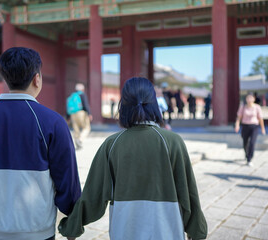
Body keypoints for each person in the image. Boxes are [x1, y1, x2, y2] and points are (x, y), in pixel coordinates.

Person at [0, 47, 81, 240]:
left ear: (6, 78)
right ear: (37, 79)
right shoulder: (52, 122)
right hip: (38, 230)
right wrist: (73, 219)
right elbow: (67, 181)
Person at [58, 77, 207, 240]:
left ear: (124, 105)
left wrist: (71, 227)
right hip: (167, 231)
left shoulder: (112, 144)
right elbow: (188, 193)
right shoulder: (172, 141)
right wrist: (197, 231)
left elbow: (93, 195)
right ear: (154, 103)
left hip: (124, 231)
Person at [235, 92, 266, 166]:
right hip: (245, 126)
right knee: (245, 143)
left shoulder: (257, 107)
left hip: (254, 126)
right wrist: (237, 125)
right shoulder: (243, 107)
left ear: (254, 99)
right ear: (246, 99)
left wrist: (263, 128)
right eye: (248, 97)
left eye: (251, 97)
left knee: (252, 142)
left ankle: (249, 158)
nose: (249, 99)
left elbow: (260, 118)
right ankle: (246, 155)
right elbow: (239, 117)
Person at [67, 83, 92, 150]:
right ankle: (80, 139)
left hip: (72, 114)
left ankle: (77, 143)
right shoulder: (82, 94)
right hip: (81, 113)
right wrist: (89, 113)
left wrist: (68, 117)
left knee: (76, 129)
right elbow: (85, 104)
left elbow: (69, 106)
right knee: (86, 127)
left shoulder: (72, 96)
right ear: (82, 89)